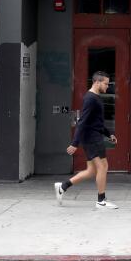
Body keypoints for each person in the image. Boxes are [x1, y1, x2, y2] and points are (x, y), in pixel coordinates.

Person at [54, 71, 118, 209]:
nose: (108, 87)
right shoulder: (90, 99)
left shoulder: (95, 97)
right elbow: (82, 122)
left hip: (93, 136)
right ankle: (101, 201)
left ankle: (63, 187)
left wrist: (108, 134)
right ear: (97, 82)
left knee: (91, 170)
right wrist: (75, 143)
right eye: (106, 84)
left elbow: (97, 121)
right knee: (103, 166)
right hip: (92, 138)